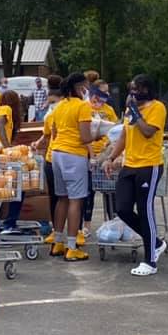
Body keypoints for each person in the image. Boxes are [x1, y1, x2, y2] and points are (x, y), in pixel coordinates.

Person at [104, 75, 168, 276]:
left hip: (149, 165)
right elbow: (124, 135)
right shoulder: (129, 110)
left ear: (146, 90)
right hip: (129, 164)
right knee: (122, 208)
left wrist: (134, 111)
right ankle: (155, 242)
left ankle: (150, 261)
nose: (133, 93)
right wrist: (111, 157)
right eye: (131, 88)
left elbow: (148, 132)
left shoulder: (157, 107)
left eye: (137, 89)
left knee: (145, 209)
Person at [48, 73, 96, 261]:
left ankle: (57, 242)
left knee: (62, 198)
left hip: (57, 153)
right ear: (79, 87)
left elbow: (54, 132)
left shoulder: (60, 106)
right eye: (86, 86)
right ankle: (72, 246)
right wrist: (101, 134)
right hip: (74, 155)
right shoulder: (83, 106)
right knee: (76, 200)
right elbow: (85, 137)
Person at [0, 90, 24, 234]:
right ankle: (8, 223)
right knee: (17, 186)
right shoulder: (6, 109)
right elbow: (0, 125)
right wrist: (8, 148)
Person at [83, 84, 118, 238]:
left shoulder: (109, 110)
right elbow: (83, 134)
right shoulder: (85, 108)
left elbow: (116, 131)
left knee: (110, 191)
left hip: (105, 155)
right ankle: (86, 225)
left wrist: (110, 149)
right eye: (103, 91)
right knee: (88, 191)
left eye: (107, 91)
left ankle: (113, 223)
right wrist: (91, 155)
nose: (106, 94)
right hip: (89, 154)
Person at [33, 75, 63, 241]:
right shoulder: (51, 115)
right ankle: (56, 230)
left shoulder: (62, 112)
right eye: (49, 103)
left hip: (63, 157)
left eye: (53, 102)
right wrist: (37, 143)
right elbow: (46, 135)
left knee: (64, 197)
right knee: (55, 196)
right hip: (53, 158)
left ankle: (66, 231)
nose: (50, 106)